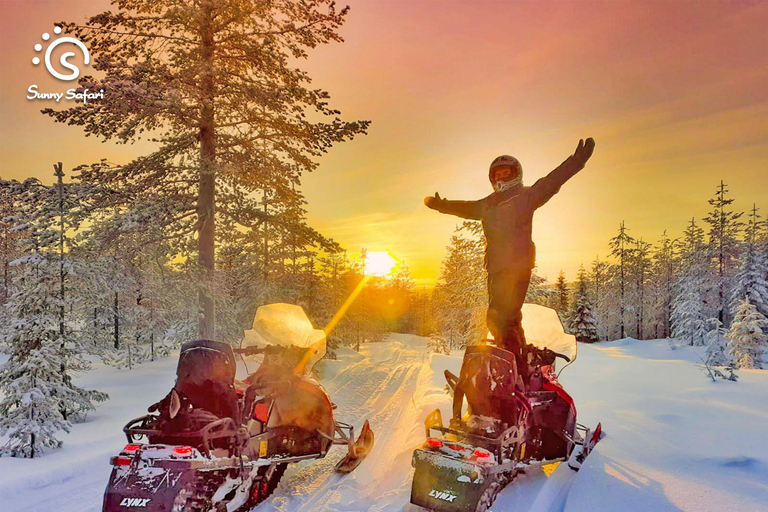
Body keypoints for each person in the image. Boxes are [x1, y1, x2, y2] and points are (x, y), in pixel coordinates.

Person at [424, 138, 596, 380]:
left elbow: (552, 182)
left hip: (517, 266)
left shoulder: (526, 196)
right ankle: (516, 365)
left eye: (507, 172)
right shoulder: (487, 204)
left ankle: (511, 369)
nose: (502, 178)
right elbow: (464, 207)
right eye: (498, 174)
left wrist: (576, 162)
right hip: (495, 268)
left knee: (499, 317)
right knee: (508, 319)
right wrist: (441, 205)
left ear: (517, 174)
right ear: (492, 179)